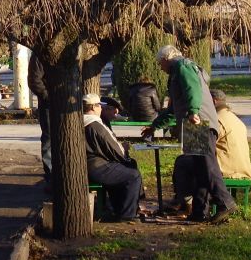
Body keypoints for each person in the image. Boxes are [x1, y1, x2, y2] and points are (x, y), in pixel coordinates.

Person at [142, 45, 237, 223]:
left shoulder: (182, 66)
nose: (160, 67)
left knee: (207, 165)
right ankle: (199, 212)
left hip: (198, 121)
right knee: (200, 168)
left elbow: (192, 89)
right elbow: (172, 109)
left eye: (160, 63)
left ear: (167, 58)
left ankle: (225, 202)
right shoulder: (177, 73)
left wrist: (193, 111)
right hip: (194, 123)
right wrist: (154, 126)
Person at [172, 89, 251, 210]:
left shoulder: (216, 120)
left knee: (184, 161)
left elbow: (196, 147)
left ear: (213, 102)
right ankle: (187, 200)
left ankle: (185, 201)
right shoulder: (235, 118)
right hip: (242, 167)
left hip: (226, 168)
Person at [83, 93, 143, 221]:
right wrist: (125, 150)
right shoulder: (95, 125)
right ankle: (127, 214)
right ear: (93, 107)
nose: (101, 109)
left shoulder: (80, 122)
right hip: (96, 166)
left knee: (126, 167)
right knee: (133, 175)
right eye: (100, 106)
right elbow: (115, 149)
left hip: (88, 164)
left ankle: (120, 207)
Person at [28, 53, 51, 188]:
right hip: (49, 105)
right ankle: (51, 177)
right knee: (49, 140)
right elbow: (34, 80)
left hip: (65, 103)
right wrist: (47, 96)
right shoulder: (39, 54)